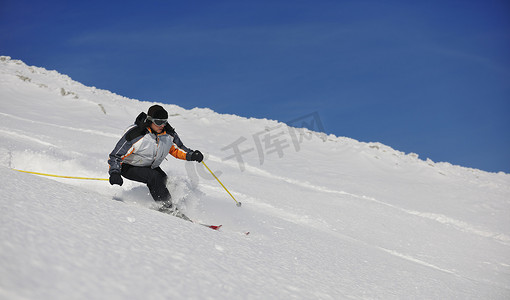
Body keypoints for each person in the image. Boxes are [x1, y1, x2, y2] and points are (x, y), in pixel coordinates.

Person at [108, 105, 203, 212]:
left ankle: (174, 207)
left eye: (164, 122)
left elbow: (178, 149)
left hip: (150, 167)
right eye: (158, 122)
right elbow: (116, 155)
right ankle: (167, 208)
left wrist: (191, 155)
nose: (162, 125)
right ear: (150, 120)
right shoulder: (136, 134)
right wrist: (115, 172)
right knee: (154, 177)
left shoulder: (168, 134)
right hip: (128, 167)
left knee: (166, 181)